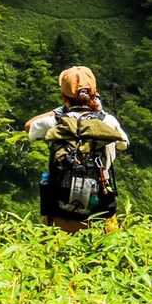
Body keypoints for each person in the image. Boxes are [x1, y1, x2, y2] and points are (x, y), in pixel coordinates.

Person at [25, 65, 129, 234]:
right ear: (94, 94)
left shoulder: (55, 121)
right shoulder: (107, 122)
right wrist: (99, 111)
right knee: (104, 247)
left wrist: (58, 111)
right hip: (100, 211)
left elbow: (29, 126)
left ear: (64, 97)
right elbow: (123, 144)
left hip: (60, 211)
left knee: (59, 248)